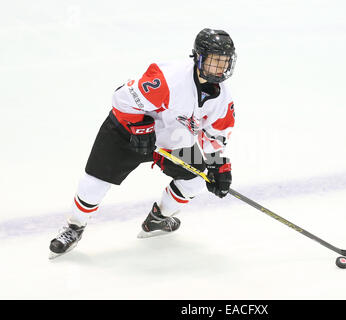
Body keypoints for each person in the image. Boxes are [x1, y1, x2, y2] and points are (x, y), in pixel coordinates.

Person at [49, 28, 237, 259]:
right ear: (198, 57)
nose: (220, 68)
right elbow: (122, 97)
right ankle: (74, 227)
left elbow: (214, 137)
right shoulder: (169, 78)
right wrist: (141, 128)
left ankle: (157, 219)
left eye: (225, 62)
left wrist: (219, 166)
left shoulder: (223, 100)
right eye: (214, 61)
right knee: (94, 184)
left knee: (198, 178)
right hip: (124, 132)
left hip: (172, 140)